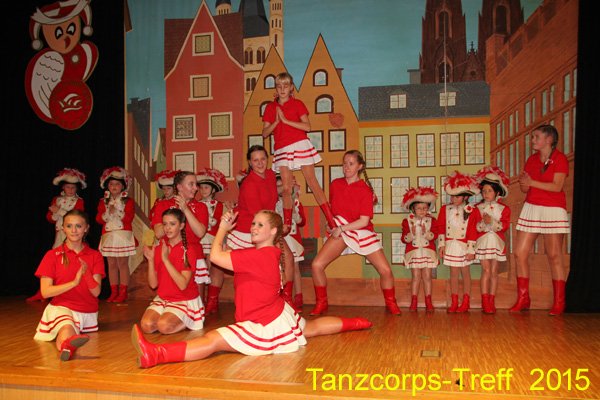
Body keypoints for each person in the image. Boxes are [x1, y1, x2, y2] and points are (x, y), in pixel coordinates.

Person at [131, 209, 372, 368]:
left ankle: (157, 354)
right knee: (311, 328)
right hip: (275, 313)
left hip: (263, 323)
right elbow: (232, 257)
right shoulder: (266, 253)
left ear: (273, 231)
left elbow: (215, 256)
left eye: (260, 224)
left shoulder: (260, 256)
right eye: (253, 223)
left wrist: (223, 228)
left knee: (213, 340)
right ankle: (358, 323)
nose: (253, 227)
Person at [205, 145, 294, 315]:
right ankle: (212, 301)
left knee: (287, 257)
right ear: (250, 163)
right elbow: (258, 215)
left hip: (265, 225)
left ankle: (286, 298)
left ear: (267, 159)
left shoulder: (270, 175)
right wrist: (278, 226)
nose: (260, 163)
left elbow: (273, 192)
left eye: (263, 159)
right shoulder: (249, 184)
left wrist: (288, 188)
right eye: (255, 160)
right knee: (219, 264)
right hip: (246, 227)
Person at [309, 150, 401, 316]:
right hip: (341, 230)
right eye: (344, 163)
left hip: (360, 231)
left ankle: (391, 303)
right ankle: (321, 302)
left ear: (360, 166)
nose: (346, 167)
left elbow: (363, 221)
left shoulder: (365, 190)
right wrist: (330, 226)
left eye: (351, 164)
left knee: (386, 271)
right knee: (316, 265)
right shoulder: (335, 184)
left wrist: (341, 228)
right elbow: (333, 210)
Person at [262, 72, 337, 234]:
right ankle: (287, 224)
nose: (282, 89)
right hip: (282, 148)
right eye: (279, 86)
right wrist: (277, 121)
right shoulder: (270, 107)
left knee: (312, 182)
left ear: (291, 87)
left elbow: (307, 127)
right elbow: (265, 133)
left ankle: (331, 220)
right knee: (286, 188)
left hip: (300, 144)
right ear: (276, 88)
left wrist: (286, 121)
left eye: (286, 85)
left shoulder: (297, 104)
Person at [512, 124, 570, 316]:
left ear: (549, 139)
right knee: (520, 253)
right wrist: (524, 183)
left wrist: (532, 182)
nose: (533, 140)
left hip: (553, 209)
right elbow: (525, 189)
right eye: (533, 137)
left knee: (554, 255)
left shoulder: (560, 158)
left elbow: (557, 186)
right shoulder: (531, 160)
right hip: (532, 207)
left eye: (536, 137)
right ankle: (523, 298)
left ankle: (559, 302)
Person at [33, 210, 104, 361]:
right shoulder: (52, 255)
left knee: (70, 327)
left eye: (78, 226)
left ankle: (69, 342)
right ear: (63, 228)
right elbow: (45, 292)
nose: (74, 230)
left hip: (87, 311)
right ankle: (67, 347)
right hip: (61, 307)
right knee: (66, 326)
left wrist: (86, 273)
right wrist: (73, 283)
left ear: (86, 228)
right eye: (69, 226)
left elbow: (96, 292)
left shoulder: (95, 255)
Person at [27, 167, 87, 303]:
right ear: (63, 187)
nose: (70, 190)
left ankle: (71, 289)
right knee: (54, 260)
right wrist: (54, 213)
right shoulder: (57, 199)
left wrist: (59, 211)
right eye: (68, 187)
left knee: (71, 261)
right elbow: (50, 218)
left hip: (74, 236)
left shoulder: (79, 201)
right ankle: (46, 290)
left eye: (73, 187)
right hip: (60, 233)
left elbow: (77, 217)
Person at [140, 208, 204, 334]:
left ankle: (192, 318)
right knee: (147, 325)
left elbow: (182, 285)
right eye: (165, 224)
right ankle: (171, 315)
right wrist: (151, 260)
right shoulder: (160, 248)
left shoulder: (188, 250)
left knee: (164, 326)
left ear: (181, 226)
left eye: (172, 224)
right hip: (164, 298)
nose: (167, 228)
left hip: (184, 298)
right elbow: (153, 285)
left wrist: (165, 259)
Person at [151, 171, 209, 308]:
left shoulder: (201, 207)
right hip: (169, 254)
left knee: (196, 302)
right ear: (179, 187)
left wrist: (185, 209)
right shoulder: (163, 205)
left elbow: (200, 232)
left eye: (196, 184)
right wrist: (173, 217)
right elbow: (158, 233)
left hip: (193, 255)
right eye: (191, 184)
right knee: (171, 293)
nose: (195, 188)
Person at [437, 171, 481, 313]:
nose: (454, 199)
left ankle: (466, 301)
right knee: (453, 274)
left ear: (466, 196)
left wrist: (471, 250)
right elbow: (440, 227)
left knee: (465, 272)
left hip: (464, 246)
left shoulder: (472, 210)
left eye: (457, 196)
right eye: (452, 196)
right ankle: (454, 301)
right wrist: (442, 245)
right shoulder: (445, 209)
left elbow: (473, 230)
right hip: (451, 245)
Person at [96, 167, 136, 303]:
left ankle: (123, 292)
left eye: (117, 184)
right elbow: (98, 219)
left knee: (122, 264)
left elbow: (129, 218)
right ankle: (114, 292)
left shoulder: (128, 201)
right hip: (108, 235)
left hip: (122, 235)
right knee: (111, 264)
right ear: (107, 186)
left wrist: (117, 211)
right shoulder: (103, 201)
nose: (114, 186)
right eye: (111, 184)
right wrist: (108, 213)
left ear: (123, 186)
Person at [475, 166, 511, 314]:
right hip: (483, 242)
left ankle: (491, 300)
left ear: (497, 192)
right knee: (486, 270)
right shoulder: (477, 208)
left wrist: (492, 222)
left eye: (489, 191)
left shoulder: (504, 208)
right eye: (484, 191)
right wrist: (484, 223)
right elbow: (475, 228)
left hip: (497, 242)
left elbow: (504, 226)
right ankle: (485, 301)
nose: (486, 193)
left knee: (494, 271)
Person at [400, 187, 439, 312]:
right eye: (419, 208)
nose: (422, 211)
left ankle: (428, 301)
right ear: (413, 209)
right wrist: (411, 234)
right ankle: (414, 301)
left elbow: (435, 236)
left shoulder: (432, 220)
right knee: (416, 277)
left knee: (427, 277)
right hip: (414, 253)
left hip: (428, 252)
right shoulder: (407, 221)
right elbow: (404, 239)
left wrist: (426, 232)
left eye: (425, 208)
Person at [275, 175, 307, 312]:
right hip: (279, 239)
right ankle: (282, 297)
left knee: (295, 269)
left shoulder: (296, 202)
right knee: (280, 268)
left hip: (293, 239)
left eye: (283, 185)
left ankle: (298, 297)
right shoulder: (274, 203)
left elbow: (302, 222)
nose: (281, 189)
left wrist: (294, 212)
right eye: (278, 186)